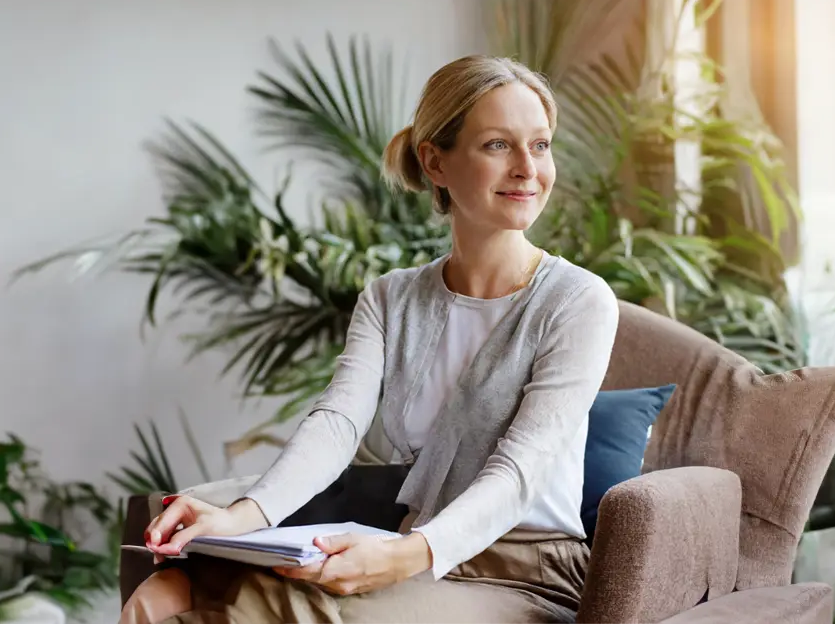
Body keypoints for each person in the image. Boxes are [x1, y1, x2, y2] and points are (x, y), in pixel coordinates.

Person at [119, 54, 619, 624]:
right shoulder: (391, 298)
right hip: (407, 550)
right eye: (498, 145)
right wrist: (242, 515)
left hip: (524, 571)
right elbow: (336, 424)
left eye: (541, 144)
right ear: (435, 162)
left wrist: (406, 555)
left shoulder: (578, 301)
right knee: (165, 594)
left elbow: (519, 470)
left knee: (300, 611)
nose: (529, 168)